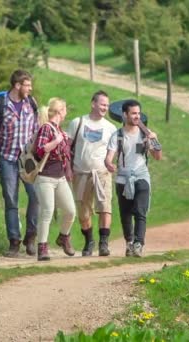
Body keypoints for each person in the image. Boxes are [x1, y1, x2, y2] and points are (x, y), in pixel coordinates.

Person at [0, 69, 39, 258]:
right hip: (7, 159)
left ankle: (30, 237)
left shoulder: (31, 103)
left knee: (36, 197)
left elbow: (36, 131)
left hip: (28, 160)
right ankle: (14, 241)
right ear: (17, 85)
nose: (30, 89)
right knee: (11, 200)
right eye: (27, 85)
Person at [105, 99, 162, 257]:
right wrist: (109, 164)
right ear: (124, 115)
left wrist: (154, 141)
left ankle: (138, 244)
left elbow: (157, 156)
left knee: (139, 210)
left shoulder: (145, 134)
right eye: (133, 113)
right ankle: (129, 243)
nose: (137, 116)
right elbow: (109, 157)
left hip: (142, 176)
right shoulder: (117, 135)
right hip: (123, 178)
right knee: (125, 213)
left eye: (138, 113)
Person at [66, 90, 117, 257]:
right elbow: (67, 147)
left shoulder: (110, 128)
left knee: (105, 207)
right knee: (83, 211)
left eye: (107, 105)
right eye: (102, 104)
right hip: (81, 172)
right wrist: (67, 168)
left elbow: (112, 149)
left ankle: (103, 243)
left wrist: (109, 162)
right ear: (93, 104)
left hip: (102, 173)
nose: (105, 108)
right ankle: (89, 241)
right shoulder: (77, 122)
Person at [34, 97, 77, 261]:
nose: (66, 113)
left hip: (60, 178)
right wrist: (56, 141)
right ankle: (42, 247)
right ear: (60, 111)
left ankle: (63, 237)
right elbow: (40, 150)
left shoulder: (59, 130)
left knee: (70, 210)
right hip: (45, 177)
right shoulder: (46, 128)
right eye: (65, 109)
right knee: (47, 211)